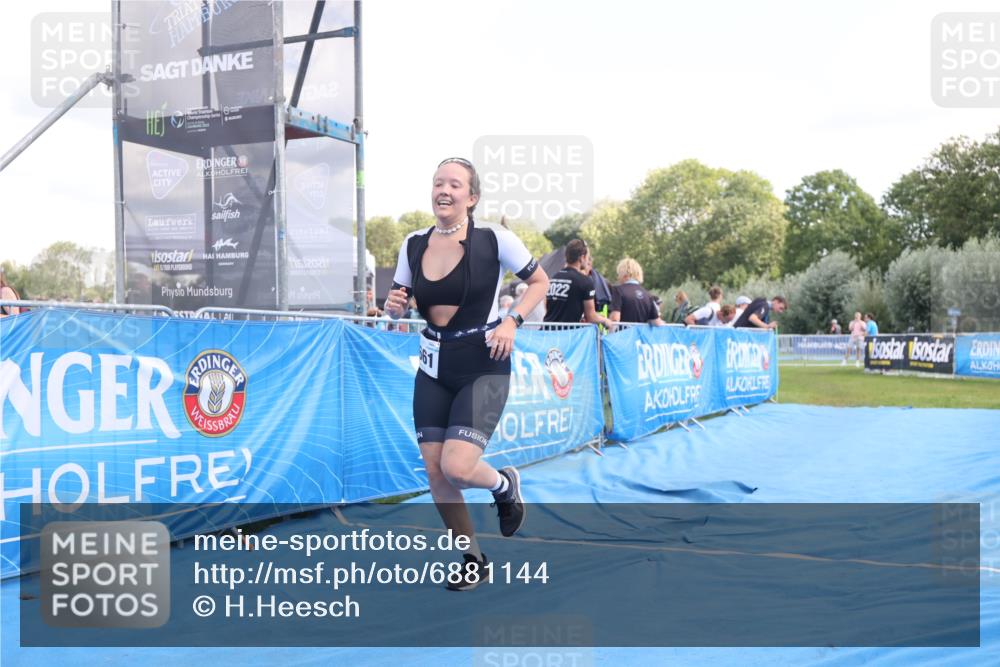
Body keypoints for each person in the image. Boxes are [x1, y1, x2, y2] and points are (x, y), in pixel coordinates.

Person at [384, 157, 548, 591]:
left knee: (457, 467)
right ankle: (472, 557)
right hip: (434, 366)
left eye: (455, 184)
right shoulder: (413, 243)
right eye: (438, 182)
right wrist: (393, 308)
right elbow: (396, 301)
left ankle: (502, 484)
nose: (444, 190)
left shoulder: (496, 238)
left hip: (484, 362)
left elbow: (540, 283)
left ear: (471, 197)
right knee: (436, 472)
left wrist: (512, 321)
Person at [543, 239, 615, 329]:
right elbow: (591, 316)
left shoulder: (554, 278)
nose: (588, 261)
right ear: (582, 257)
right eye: (588, 257)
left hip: (548, 332)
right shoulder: (585, 281)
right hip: (568, 336)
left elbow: (547, 307)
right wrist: (605, 321)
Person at [609, 258, 663, 325]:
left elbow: (615, 318)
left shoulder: (618, 290)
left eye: (618, 274)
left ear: (624, 274)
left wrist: (610, 334)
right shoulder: (647, 294)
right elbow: (656, 322)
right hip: (640, 335)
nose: (618, 277)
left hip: (623, 334)